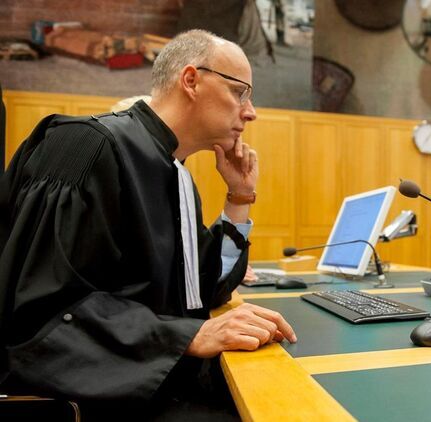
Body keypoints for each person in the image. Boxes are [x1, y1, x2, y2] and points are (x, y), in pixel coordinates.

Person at [0, 30, 296, 419]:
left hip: (162, 374)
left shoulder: (177, 173)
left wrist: (239, 196)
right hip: (107, 394)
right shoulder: (86, 144)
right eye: (240, 92)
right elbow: (41, 313)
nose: (250, 111)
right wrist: (190, 335)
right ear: (191, 80)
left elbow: (205, 289)